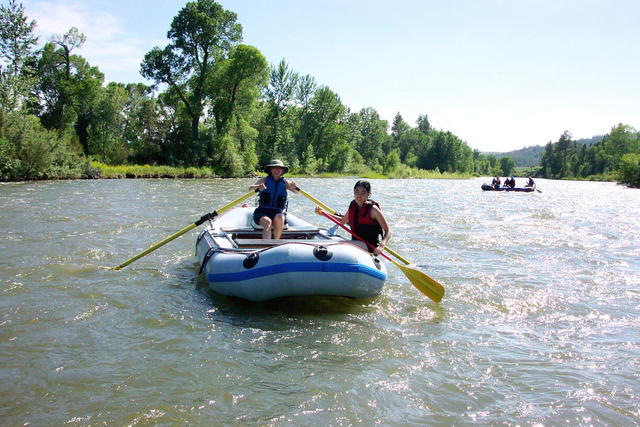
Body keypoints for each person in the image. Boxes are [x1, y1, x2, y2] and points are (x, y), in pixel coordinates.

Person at [315, 180, 391, 256]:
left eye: (363, 192)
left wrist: (381, 245)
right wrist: (323, 213)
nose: (359, 195)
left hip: (370, 248)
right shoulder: (353, 205)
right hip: (356, 244)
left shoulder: (373, 210)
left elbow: (388, 231)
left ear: (369, 194)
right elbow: (342, 221)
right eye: (356, 192)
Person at [249, 159, 298, 239]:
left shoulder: (286, 183)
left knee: (279, 217)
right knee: (267, 221)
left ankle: (275, 243)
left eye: (279, 168)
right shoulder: (264, 180)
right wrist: (258, 187)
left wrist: (295, 187)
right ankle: (266, 246)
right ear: (270, 170)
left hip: (278, 212)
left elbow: (297, 192)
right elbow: (250, 188)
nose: (277, 170)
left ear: (282, 171)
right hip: (262, 212)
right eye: (274, 168)